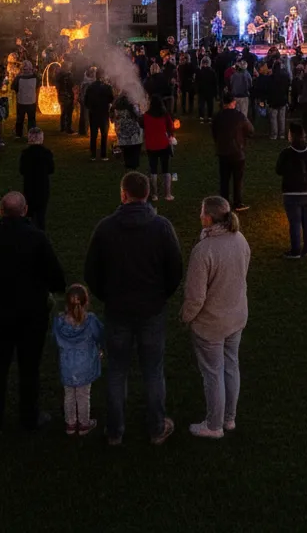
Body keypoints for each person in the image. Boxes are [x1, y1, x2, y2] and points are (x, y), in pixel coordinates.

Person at [84, 171, 184, 447]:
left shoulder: (106, 228)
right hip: (150, 309)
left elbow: (91, 272)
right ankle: (155, 428)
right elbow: (175, 268)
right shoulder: (161, 227)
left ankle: (115, 431)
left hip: (119, 309)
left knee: (117, 370)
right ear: (147, 195)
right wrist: (161, 294)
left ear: (123, 194)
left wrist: (107, 295)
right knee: (152, 370)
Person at [0, 191, 66, 433]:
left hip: (1, 312)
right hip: (32, 314)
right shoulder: (37, 239)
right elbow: (56, 278)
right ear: (25, 211)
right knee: (29, 367)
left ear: (1, 211)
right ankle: (29, 417)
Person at [180, 196, 251, 439]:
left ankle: (214, 425)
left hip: (211, 323)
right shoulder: (240, 240)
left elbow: (195, 296)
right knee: (231, 366)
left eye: (201, 212)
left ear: (208, 218)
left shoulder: (204, 251)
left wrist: (186, 317)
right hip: (236, 316)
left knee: (213, 373)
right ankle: (229, 418)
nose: (199, 216)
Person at [52, 284, 104, 436]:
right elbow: (100, 335)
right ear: (85, 302)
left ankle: (70, 423)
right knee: (83, 395)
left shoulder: (60, 322)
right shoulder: (90, 321)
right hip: (85, 366)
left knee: (69, 394)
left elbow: (55, 338)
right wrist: (100, 348)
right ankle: (84, 424)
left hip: (67, 365)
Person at [275, 122, 307, 259]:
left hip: (292, 192)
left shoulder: (286, 153)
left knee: (295, 222)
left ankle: (295, 250)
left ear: (292, 135)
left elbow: (278, 170)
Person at [211, 92, 255, 211]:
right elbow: (250, 130)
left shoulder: (217, 117)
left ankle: (224, 203)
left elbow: (214, 132)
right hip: (237, 152)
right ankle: (237, 202)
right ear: (233, 103)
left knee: (224, 179)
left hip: (223, 151)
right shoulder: (239, 116)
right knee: (237, 179)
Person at [18, 127, 56, 231]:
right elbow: (51, 169)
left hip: (29, 186)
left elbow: (22, 170)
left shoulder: (25, 153)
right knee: (41, 213)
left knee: (29, 211)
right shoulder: (46, 153)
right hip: (43, 186)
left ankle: (28, 231)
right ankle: (41, 231)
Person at [143, 95, 176, 202]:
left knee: (153, 170)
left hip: (151, 145)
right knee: (166, 169)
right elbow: (171, 127)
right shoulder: (165, 115)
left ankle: (154, 195)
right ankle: (167, 194)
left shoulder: (145, 116)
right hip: (163, 144)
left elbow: (142, 125)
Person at [84, 69, 114, 161]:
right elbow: (111, 99)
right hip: (104, 113)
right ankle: (103, 155)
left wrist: (90, 107)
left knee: (93, 134)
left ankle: (93, 155)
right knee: (104, 134)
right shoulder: (107, 87)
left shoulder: (90, 87)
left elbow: (86, 100)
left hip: (93, 113)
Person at [111, 93, 144, 170]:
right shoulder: (133, 106)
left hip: (122, 134)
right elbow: (139, 115)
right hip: (134, 135)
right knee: (135, 152)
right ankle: (134, 167)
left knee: (126, 152)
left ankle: (128, 166)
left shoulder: (115, 108)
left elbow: (112, 119)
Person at [12, 60, 39, 139]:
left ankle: (19, 135)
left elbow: (14, 87)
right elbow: (37, 87)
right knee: (30, 120)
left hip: (23, 101)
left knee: (21, 119)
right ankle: (31, 135)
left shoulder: (19, 78)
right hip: (29, 101)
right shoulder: (35, 77)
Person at [267, 61, 290, 140]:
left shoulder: (270, 78)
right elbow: (287, 87)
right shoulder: (285, 76)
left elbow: (268, 89)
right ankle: (282, 134)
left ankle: (274, 134)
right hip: (282, 98)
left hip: (273, 99)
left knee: (273, 118)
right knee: (282, 117)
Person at [196, 57, 219, 123]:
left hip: (201, 91)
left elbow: (197, 82)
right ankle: (209, 117)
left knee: (201, 105)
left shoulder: (199, 71)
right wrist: (215, 93)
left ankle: (201, 117)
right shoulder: (212, 72)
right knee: (210, 105)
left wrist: (197, 90)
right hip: (210, 91)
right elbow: (215, 83)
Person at [56, 65, 75, 134]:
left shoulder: (59, 76)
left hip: (62, 95)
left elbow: (57, 86)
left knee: (63, 112)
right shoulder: (67, 76)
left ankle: (63, 127)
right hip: (67, 95)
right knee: (68, 112)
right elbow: (71, 84)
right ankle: (68, 128)